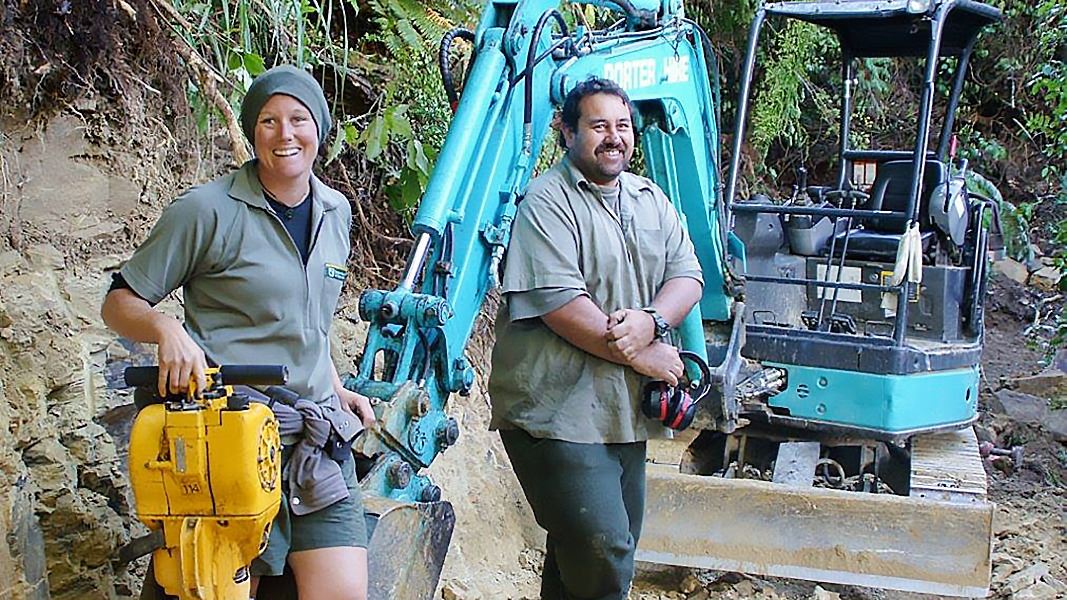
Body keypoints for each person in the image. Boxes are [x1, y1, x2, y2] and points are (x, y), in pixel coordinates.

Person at [101, 64, 375, 600]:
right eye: (269, 121)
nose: (285, 134)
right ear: (252, 132)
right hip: (228, 436)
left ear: (319, 127)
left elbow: (308, 323)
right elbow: (119, 302)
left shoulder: (337, 211)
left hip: (316, 439)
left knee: (344, 590)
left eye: (298, 119)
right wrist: (164, 330)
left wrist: (336, 387)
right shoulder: (207, 210)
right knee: (213, 589)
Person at [488, 76, 704, 599]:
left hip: (620, 413)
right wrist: (644, 355)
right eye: (598, 125)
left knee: (589, 552)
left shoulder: (650, 199)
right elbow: (563, 307)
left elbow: (689, 274)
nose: (614, 136)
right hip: (554, 412)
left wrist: (651, 322)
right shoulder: (547, 201)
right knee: (604, 548)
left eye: (623, 125)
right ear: (566, 131)